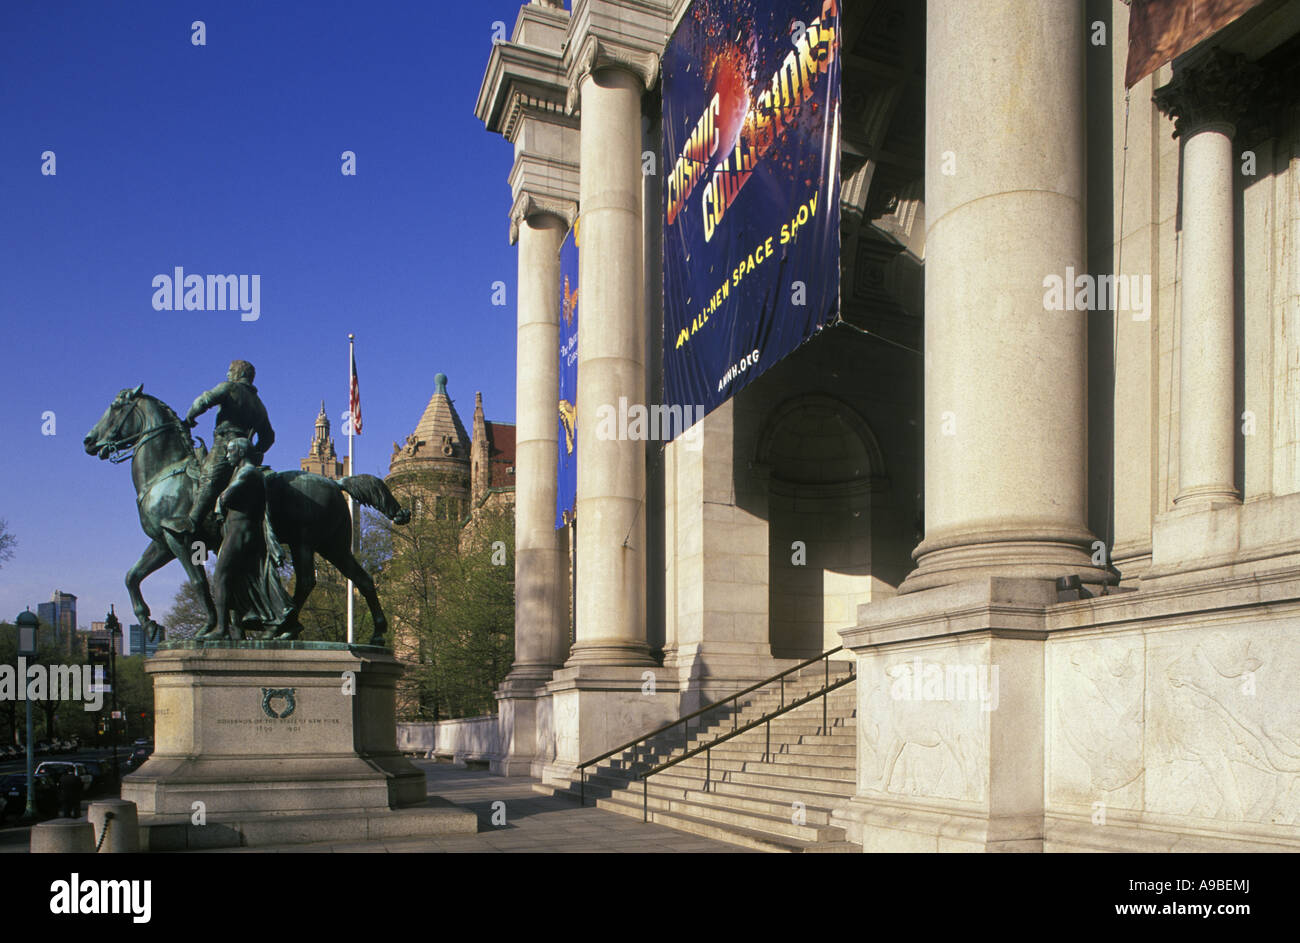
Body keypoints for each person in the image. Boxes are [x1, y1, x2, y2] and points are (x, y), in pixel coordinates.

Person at [211, 438, 294, 638]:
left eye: (231, 451)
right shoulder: (246, 471)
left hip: (240, 532)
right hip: (242, 532)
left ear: (240, 452)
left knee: (220, 577)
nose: (227, 455)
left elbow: (227, 496)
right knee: (250, 580)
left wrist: (219, 500)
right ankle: (278, 619)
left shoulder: (248, 471)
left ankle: (222, 628)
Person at [183, 359, 275, 533]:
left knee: (209, 478)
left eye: (230, 371)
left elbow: (204, 400)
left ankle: (192, 522)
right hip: (246, 450)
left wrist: (189, 418)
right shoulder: (259, 404)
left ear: (239, 374)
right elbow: (269, 437)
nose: (227, 374)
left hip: (226, 444)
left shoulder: (229, 388)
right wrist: (254, 451)